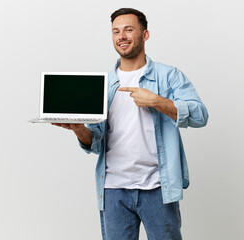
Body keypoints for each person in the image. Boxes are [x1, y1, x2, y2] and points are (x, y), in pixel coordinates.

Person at [53, 8, 208, 240]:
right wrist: (79, 130)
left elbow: (200, 116)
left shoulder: (169, 76)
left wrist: (156, 101)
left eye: (128, 29)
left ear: (145, 35)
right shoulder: (104, 85)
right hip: (113, 189)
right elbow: (95, 143)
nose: (121, 36)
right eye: (116, 31)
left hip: (158, 188)